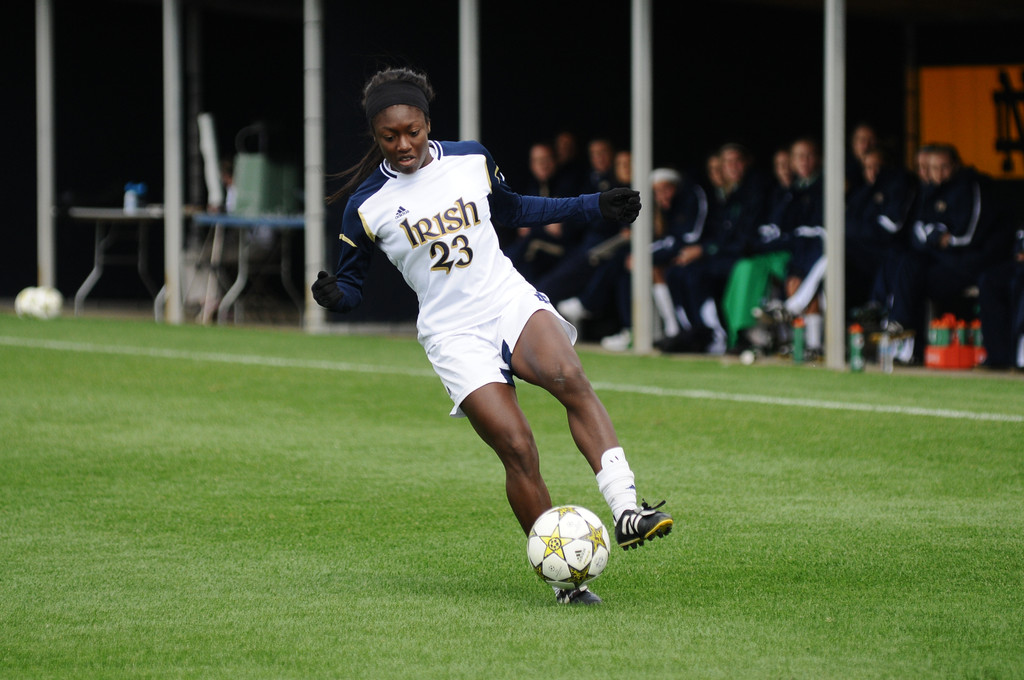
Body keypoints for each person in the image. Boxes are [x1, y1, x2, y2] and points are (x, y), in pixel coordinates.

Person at [311, 67, 672, 606]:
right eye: (391, 136)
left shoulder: (470, 158)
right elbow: (352, 283)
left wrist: (592, 206)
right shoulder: (366, 205)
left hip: (506, 299)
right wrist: (337, 296)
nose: (404, 144)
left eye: (412, 130)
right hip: (451, 334)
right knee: (518, 447)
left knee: (569, 375)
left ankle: (626, 508)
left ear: (427, 122)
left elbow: (516, 209)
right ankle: (568, 583)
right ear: (376, 136)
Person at [886, 144, 1010, 362]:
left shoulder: (970, 186)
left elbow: (966, 235)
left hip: (969, 263)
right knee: (907, 264)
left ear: (955, 165)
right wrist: (936, 236)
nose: (938, 173)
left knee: (913, 279)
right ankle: (902, 333)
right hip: (943, 260)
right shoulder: (928, 191)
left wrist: (936, 236)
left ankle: (905, 338)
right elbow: (915, 233)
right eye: (933, 168)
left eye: (944, 167)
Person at [503, 142, 585, 284]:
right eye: (537, 161)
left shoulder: (568, 185)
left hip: (567, 250)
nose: (542, 164)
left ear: (555, 160)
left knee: (531, 244)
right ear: (531, 164)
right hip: (539, 251)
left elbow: (564, 228)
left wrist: (534, 222)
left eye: (546, 159)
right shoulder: (529, 188)